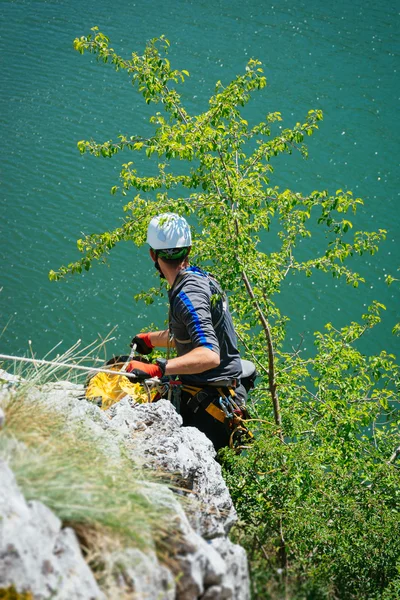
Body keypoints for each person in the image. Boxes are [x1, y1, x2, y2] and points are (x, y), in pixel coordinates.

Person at [126, 212, 249, 450]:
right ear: (189, 249)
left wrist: (157, 367)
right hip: (225, 391)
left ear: (152, 254)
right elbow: (193, 337)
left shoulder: (187, 295)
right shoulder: (202, 279)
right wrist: (150, 340)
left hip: (208, 407)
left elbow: (209, 355)